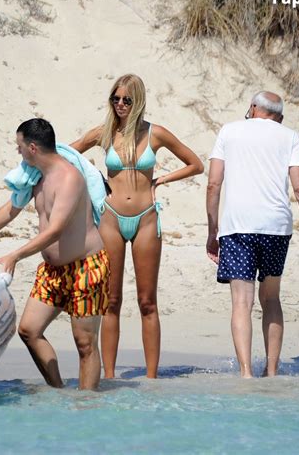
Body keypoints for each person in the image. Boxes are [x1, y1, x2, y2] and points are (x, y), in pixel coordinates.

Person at [0, 118, 110, 390]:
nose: (18, 152)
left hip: (86, 269)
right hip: (53, 271)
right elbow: (12, 207)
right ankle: (59, 392)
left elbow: (55, 229)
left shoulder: (69, 178)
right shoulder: (34, 175)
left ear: (33, 147)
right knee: (29, 330)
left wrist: (15, 255)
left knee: (85, 344)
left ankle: (87, 408)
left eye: (19, 146)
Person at [71, 74, 204, 378]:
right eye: (115, 98)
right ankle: (109, 376)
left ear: (138, 101)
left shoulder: (155, 134)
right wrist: (91, 178)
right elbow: (67, 153)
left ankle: (152, 378)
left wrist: (161, 180)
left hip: (146, 219)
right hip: (110, 219)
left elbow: (196, 164)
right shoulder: (103, 133)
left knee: (147, 301)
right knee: (111, 301)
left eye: (126, 100)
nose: (119, 104)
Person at [206, 91, 299, 378]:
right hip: (276, 227)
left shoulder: (229, 131)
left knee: (242, 303)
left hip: (238, 226)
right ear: (279, 117)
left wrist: (212, 231)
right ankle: (271, 371)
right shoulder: (291, 136)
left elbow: (213, 184)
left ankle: (245, 373)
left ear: (253, 108)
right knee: (271, 299)